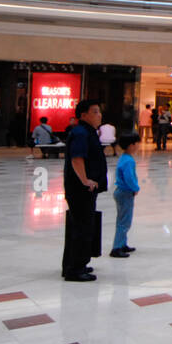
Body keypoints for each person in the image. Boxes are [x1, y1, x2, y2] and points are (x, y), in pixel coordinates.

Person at [61, 99, 106, 282]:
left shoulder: (87, 132)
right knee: (82, 227)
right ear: (83, 115)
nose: (99, 115)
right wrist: (85, 181)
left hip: (83, 189)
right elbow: (77, 159)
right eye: (95, 111)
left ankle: (75, 263)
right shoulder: (80, 132)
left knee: (80, 225)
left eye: (99, 111)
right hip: (80, 190)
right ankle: (75, 269)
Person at [110, 132, 140, 257]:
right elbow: (129, 178)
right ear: (131, 145)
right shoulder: (129, 161)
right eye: (136, 143)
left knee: (122, 219)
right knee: (124, 221)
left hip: (121, 192)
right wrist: (135, 188)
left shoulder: (124, 158)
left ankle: (122, 243)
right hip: (125, 192)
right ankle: (117, 247)